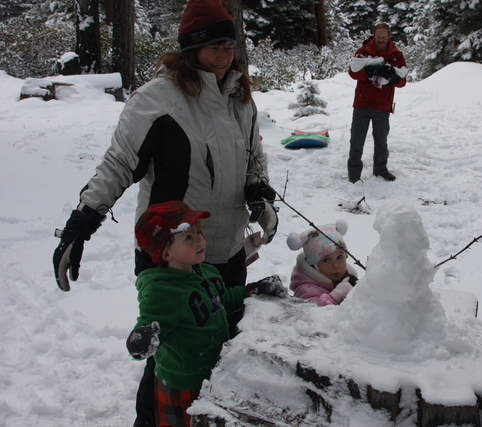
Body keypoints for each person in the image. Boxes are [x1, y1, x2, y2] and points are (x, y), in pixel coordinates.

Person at [51, 0, 278, 425]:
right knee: (171, 356)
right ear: (191, 49)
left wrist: (260, 193)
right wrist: (80, 225)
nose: (223, 55)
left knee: (221, 348)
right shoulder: (158, 99)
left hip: (226, 250)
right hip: (173, 258)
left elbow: (254, 157)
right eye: (213, 46)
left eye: (229, 45)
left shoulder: (239, 96)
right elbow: (119, 163)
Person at [127, 201, 286, 427]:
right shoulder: (161, 291)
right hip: (182, 385)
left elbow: (221, 300)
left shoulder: (207, 271)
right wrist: (141, 339)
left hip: (213, 374)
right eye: (188, 238)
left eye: (199, 233)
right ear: (166, 253)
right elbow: (149, 325)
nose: (200, 240)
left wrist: (251, 290)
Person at [347, 22, 408, 183]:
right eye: (378, 36)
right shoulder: (363, 52)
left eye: (383, 37)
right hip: (362, 103)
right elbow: (352, 73)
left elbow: (402, 81)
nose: (381, 39)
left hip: (383, 105)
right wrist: (367, 73)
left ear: (389, 37)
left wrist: (394, 78)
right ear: (374, 36)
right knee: (357, 140)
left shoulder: (396, 55)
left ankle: (381, 170)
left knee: (381, 140)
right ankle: (354, 173)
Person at [286, 220, 358, 306]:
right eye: (326, 260)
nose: (335, 265)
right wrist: (335, 297)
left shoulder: (348, 279)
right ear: (314, 265)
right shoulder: (306, 289)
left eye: (339, 257)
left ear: (346, 256)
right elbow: (309, 312)